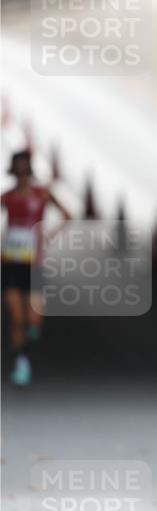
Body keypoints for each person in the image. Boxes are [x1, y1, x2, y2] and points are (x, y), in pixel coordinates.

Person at [1, 150, 71, 386]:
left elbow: (67, 214)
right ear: (13, 171)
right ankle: (21, 361)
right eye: (17, 170)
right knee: (16, 316)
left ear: (29, 170)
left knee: (34, 319)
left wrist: (50, 235)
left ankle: (25, 343)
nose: (21, 175)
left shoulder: (42, 194)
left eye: (24, 170)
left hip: (35, 264)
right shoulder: (7, 197)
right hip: (11, 263)